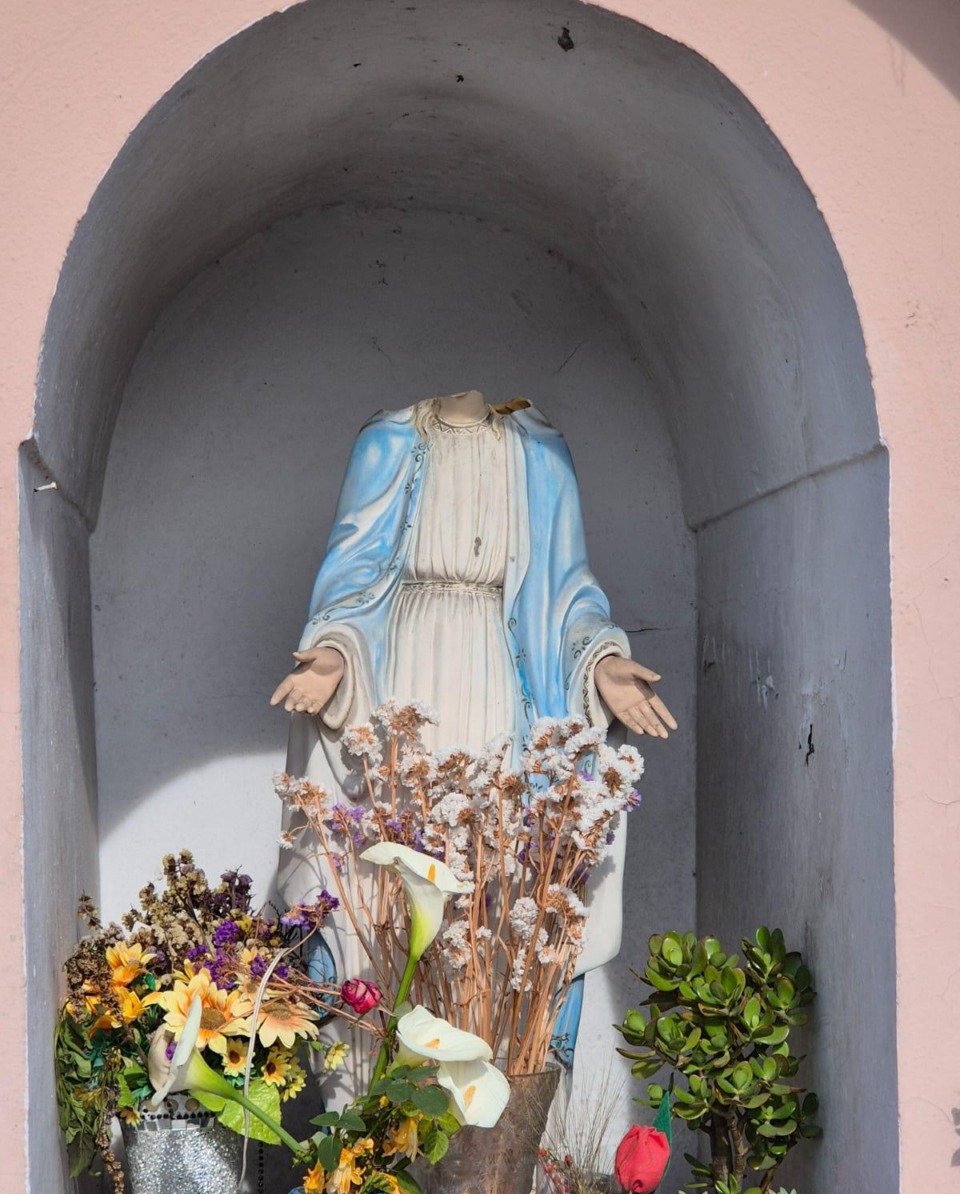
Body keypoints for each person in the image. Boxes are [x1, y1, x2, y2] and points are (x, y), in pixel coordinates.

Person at [271, 391, 675, 1050]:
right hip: (402, 676)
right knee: (388, 882)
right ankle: (378, 1093)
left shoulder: (539, 453)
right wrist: (331, 656)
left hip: (501, 685)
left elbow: (568, 592)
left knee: (494, 881)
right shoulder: (389, 441)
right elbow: (352, 574)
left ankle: (491, 1076)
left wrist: (601, 663)